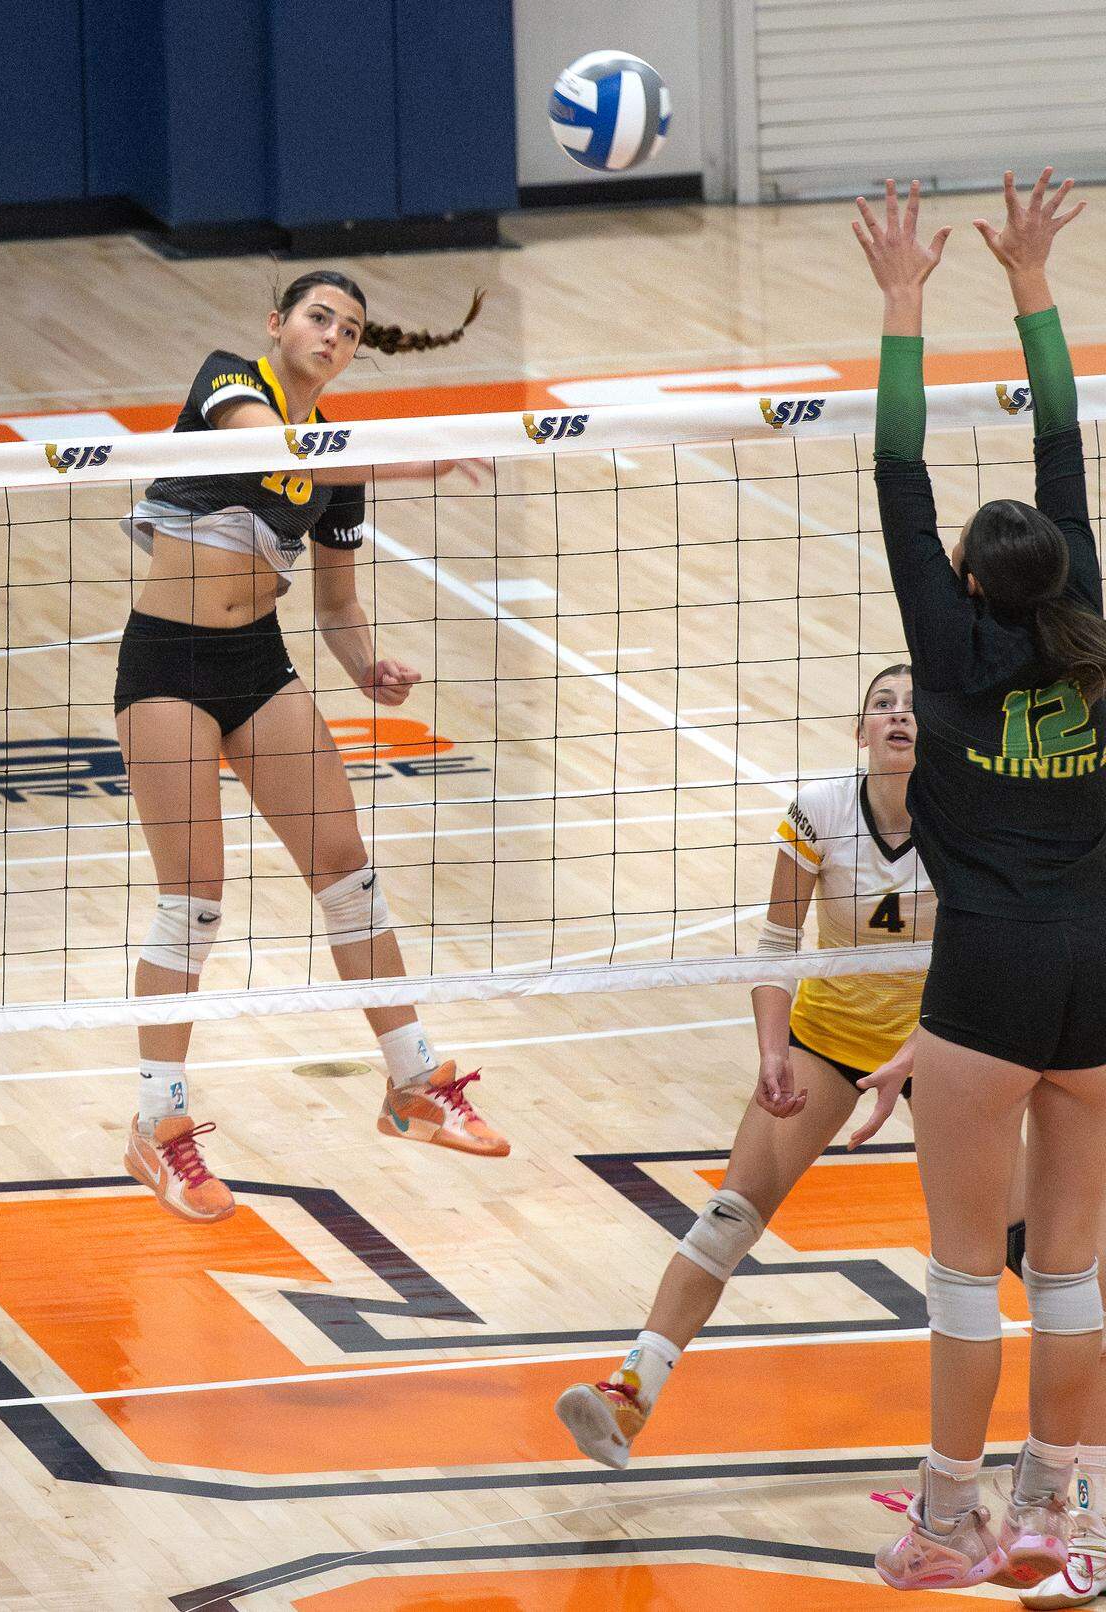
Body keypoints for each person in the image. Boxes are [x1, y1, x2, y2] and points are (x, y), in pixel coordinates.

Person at [115, 271, 508, 1224]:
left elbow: (334, 604)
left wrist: (369, 666)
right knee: (193, 901)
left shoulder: (342, 461)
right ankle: (157, 1127)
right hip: (167, 664)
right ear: (277, 324)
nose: (332, 335)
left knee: (347, 871)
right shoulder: (228, 383)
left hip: (258, 661)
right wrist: (409, 462)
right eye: (318, 317)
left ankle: (413, 1085)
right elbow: (282, 448)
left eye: (350, 329)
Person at [853, 169, 1106, 1595]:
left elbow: (899, 467)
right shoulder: (1092, 634)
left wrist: (905, 297)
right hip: (1100, 971)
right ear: (1062, 571)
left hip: (991, 976)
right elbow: (1067, 444)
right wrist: (1033, 282)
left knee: (966, 1275)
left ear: (958, 580)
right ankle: (1068, 1517)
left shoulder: (944, 658)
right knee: (1068, 1277)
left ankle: (949, 1524)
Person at [556, 663, 949, 1466]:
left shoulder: (967, 823)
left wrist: (915, 1056)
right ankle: (630, 1397)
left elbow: (982, 960)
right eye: (882, 704)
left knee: (1018, 1233)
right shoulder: (822, 810)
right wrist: (773, 1049)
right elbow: (776, 943)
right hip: (829, 1038)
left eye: (913, 706)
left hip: (942, 1037)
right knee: (729, 1216)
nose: (898, 716)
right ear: (860, 730)